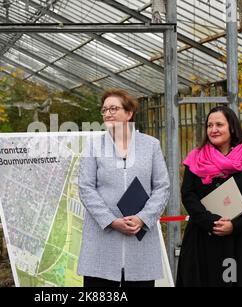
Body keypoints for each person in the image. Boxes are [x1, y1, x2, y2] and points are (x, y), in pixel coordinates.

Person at [77, 89, 170, 287]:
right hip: (103, 237)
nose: (107, 114)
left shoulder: (151, 145)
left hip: (139, 236)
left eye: (113, 108)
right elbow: (86, 187)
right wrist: (111, 221)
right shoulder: (93, 146)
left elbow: (162, 186)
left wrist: (142, 218)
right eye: (104, 110)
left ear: (129, 114)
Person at [176, 105, 242, 287]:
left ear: (232, 127)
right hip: (203, 237)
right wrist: (210, 221)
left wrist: (234, 225)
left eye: (219, 124)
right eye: (209, 125)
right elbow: (188, 194)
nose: (213, 130)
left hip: (241, 238)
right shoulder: (196, 158)